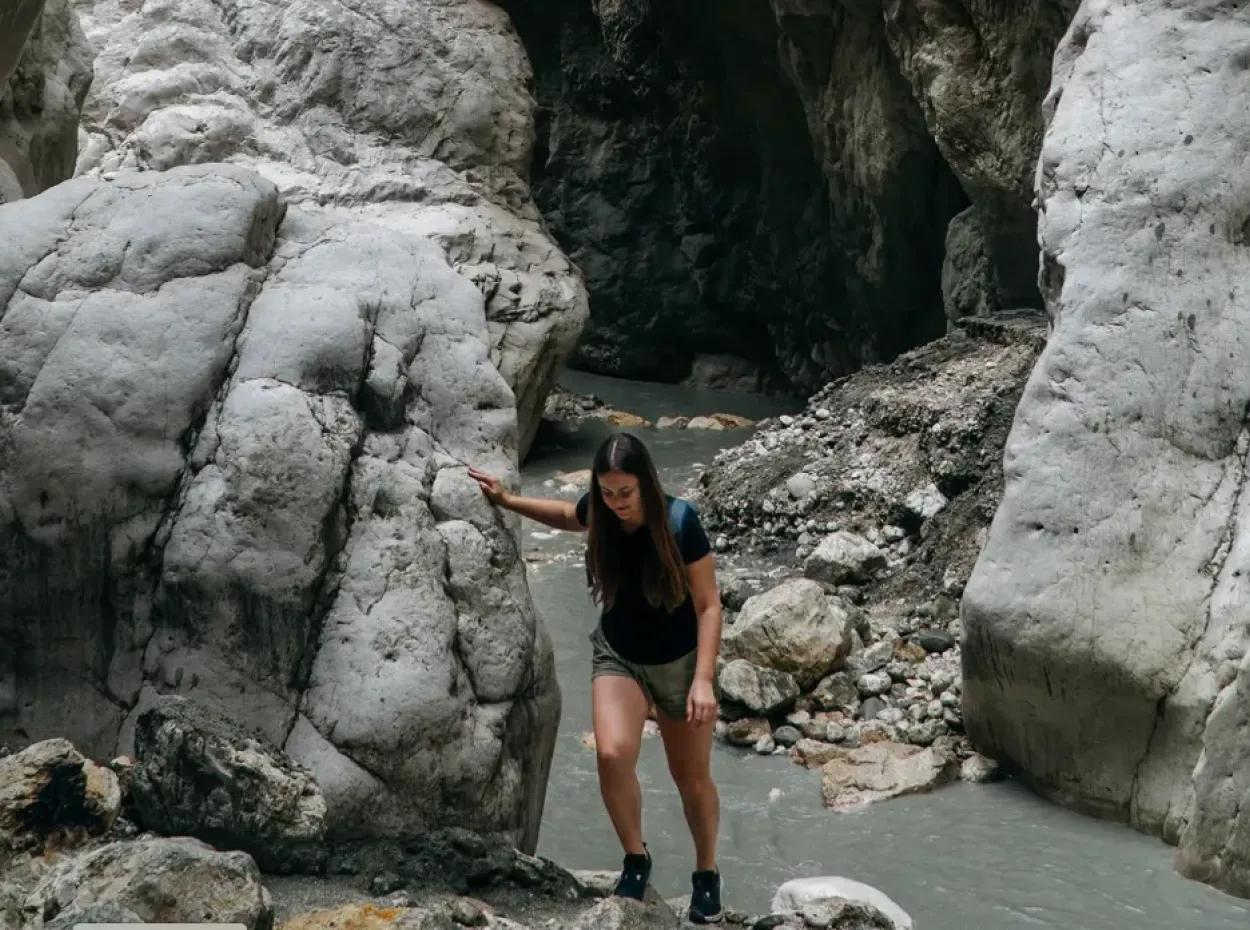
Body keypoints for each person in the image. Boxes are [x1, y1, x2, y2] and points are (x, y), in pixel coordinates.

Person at [468, 431, 725, 924]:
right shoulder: (602, 513)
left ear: (646, 484)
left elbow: (709, 605)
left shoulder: (680, 521)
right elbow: (569, 516)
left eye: (625, 493)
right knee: (611, 754)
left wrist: (704, 681)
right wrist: (506, 499)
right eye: (607, 493)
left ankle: (706, 873)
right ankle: (635, 859)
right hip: (619, 654)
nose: (617, 504)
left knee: (689, 779)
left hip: (681, 664)